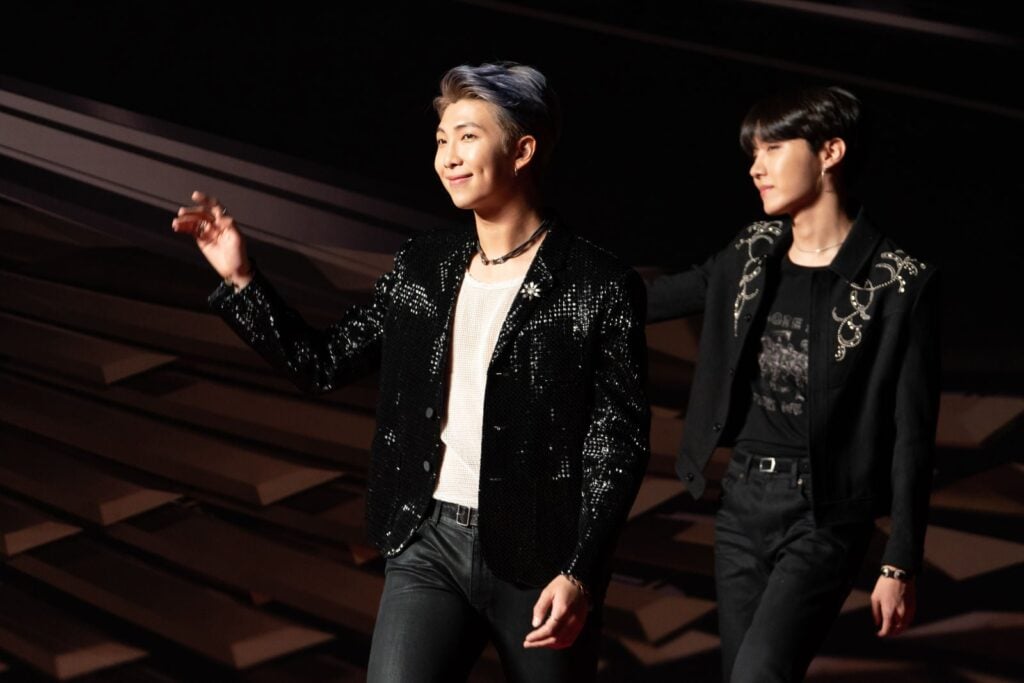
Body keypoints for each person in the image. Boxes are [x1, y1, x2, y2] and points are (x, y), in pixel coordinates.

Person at [172, 61, 650, 683]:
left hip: (542, 556)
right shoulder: (422, 265)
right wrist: (241, 279)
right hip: (428, 541)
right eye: (442, 139)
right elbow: (323, 363)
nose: (449, 157)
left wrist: (581, 572)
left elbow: (618, 445)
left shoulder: (598, 283)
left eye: (468, 137)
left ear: (523, 150)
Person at [646, 86, 940, 682]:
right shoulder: (751, 252)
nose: (756, 167)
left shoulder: (896, 282)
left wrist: (900, 562)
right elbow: (648, 300)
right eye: (753, 153)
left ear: (830, 152)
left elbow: (913, 434)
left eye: (773, 149)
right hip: (741, 502)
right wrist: (547, 271)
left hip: (823, 514)